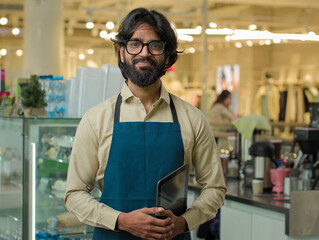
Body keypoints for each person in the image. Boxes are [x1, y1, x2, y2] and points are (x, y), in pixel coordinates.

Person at [64, 8, 226, 240]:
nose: (144, 53)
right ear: (122, 53)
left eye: (155, 46)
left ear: (167, 57)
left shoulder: (193, 118)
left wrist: (183, 222)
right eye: (135, 44)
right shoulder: (96, 119)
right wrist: (121, 220)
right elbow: (74, 194)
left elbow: (215, 188)